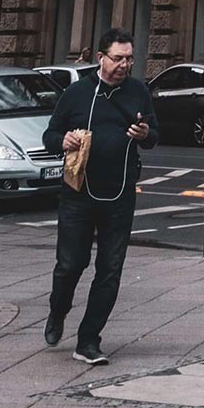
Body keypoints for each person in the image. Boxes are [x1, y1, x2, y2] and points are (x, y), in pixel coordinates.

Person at [41, 27, 157, 365]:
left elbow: (153, 136)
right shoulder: (78, 93)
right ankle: (58, 309)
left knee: (110, 270)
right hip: (78, 192)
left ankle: (89, 340)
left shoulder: (138, 92)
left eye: (129, 59)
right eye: (118, 58)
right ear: (101, 58)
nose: (124, 65)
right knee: (70, 264)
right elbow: (50, 133)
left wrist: (145, 132)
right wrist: (62, 141)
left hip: (120, 194)